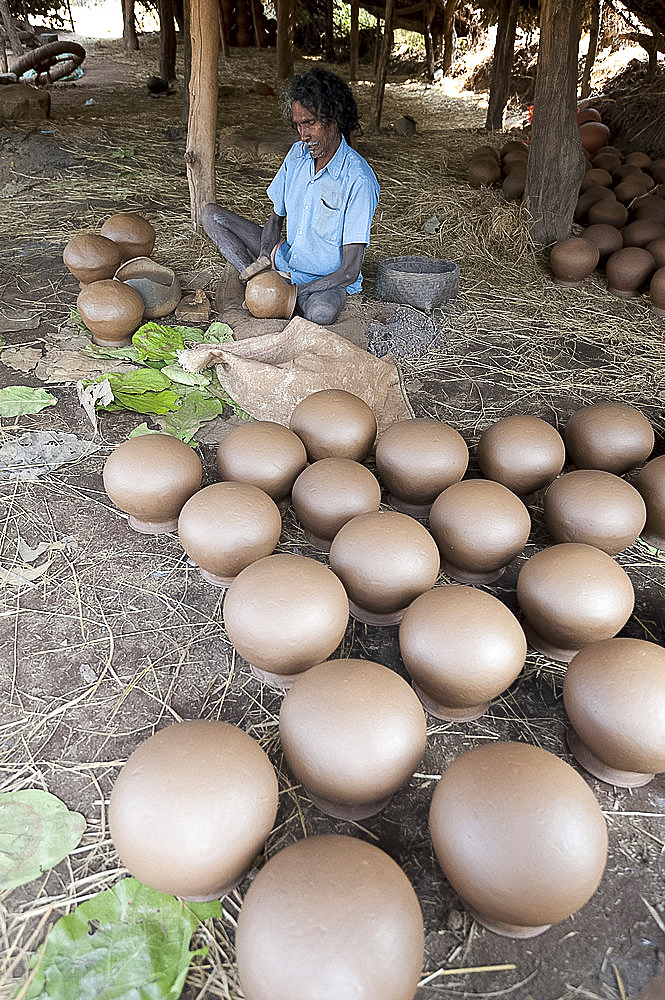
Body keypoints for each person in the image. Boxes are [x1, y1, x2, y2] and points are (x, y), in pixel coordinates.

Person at [202, 67, 380, 326]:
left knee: (321, 313)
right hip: (284, 257)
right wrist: (263, 260)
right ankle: (256, 280)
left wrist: (294, 292)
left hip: (324, 282)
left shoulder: (358, 179)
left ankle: (280, 297)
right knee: (211, 216)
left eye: (310, 123)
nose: (303, 135)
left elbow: (350, 271)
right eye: (298, 125)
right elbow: (275, 221)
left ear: (335, 117)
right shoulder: (297, 156)